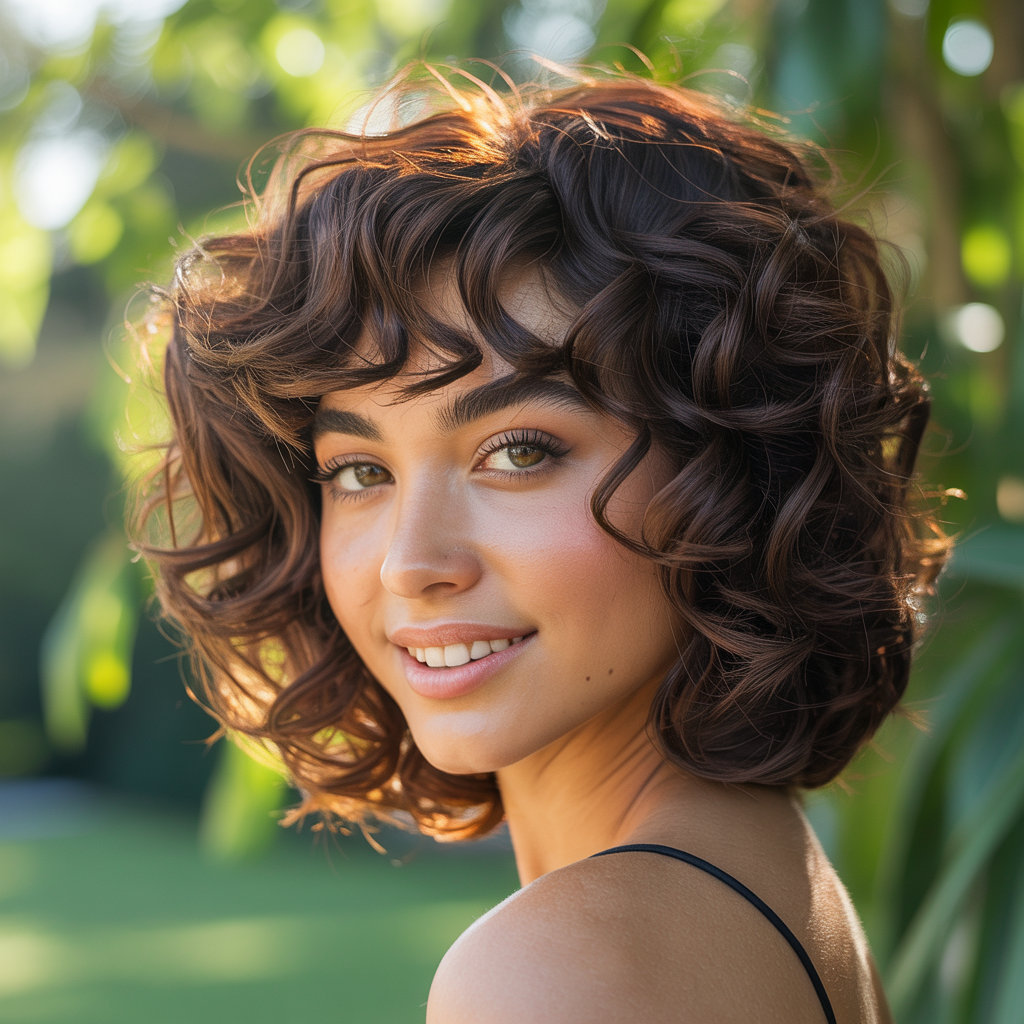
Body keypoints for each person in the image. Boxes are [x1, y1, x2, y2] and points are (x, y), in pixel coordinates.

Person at [135, 68, 948, 1023]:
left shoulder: (559, 972)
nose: (410, 561)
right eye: (360, 471)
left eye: (517, 452)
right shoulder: (777, 895)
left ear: (726, 475)